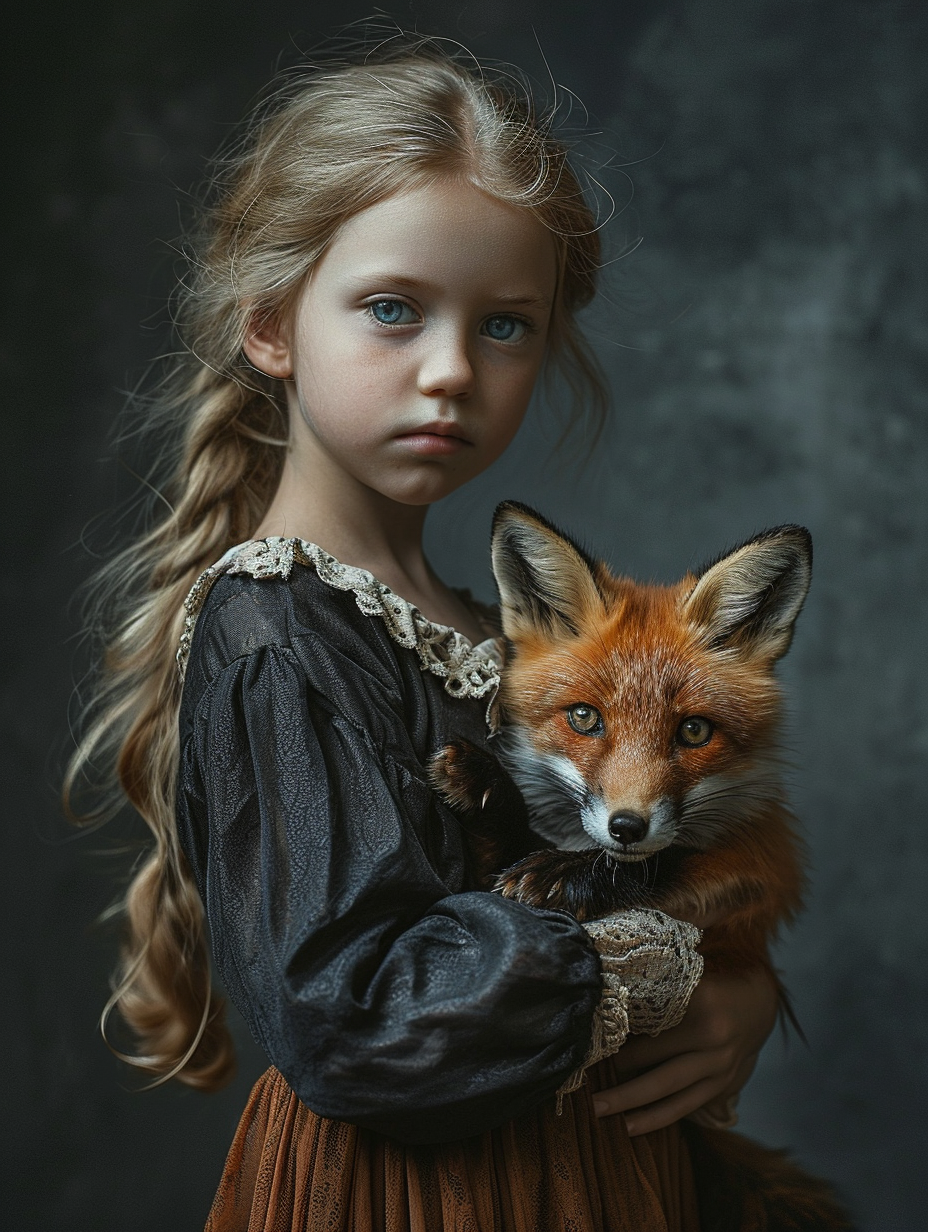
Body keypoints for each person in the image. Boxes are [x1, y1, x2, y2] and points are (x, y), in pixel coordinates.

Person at [68, 38, 780, 1231]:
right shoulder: (274, 630)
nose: (451, 370)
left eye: (506, 325)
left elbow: (631, 863)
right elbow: (356, 1016)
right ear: (272, 327)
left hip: (585, 1178)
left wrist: (740, 991)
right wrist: (647, 974)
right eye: (393, 310)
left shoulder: (494, 631)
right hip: (408, 1194)